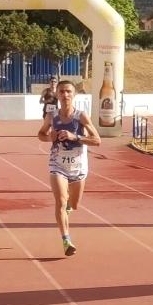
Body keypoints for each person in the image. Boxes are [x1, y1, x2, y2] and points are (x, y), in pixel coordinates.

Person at [37, 79, 100, 256]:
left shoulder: (81, 116)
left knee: (74, 204)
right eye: (62, 91)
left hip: (78, 167)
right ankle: (66, 240)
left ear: (74, 95)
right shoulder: (51, 117)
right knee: (61, 201)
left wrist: (75, 137)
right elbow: (41, 134)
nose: (65, 95)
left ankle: (68, 209)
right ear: (57, 94)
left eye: (68, 91)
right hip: (58, 165)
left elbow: (97, 141)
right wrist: (49, 137)